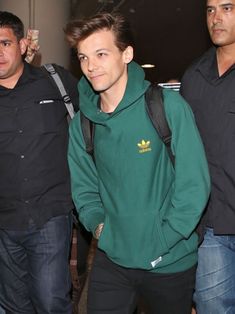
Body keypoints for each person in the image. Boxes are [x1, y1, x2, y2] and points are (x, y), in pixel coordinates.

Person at [64, 12, 210, 314]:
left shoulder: (167, 107)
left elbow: (194, 183)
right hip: (112, 259)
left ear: (126, 54)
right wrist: (100, 226)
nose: (91, 66)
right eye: (83, 57)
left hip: (169, 261)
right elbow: (84, 188)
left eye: (101, 54)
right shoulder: (82, 124)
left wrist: (165, 236)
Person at [0, 11, 80, 313]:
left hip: (50, 215)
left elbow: (98, 114)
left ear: (22, 45)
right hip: (4, 223)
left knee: (50, 301)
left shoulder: (55, 81)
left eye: (5, 43)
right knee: (14, 306)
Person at [180, 0, 235, 313]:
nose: (216, 18)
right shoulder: (194, 77)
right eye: (210, 9)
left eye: (227, 8)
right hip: (212, 223)